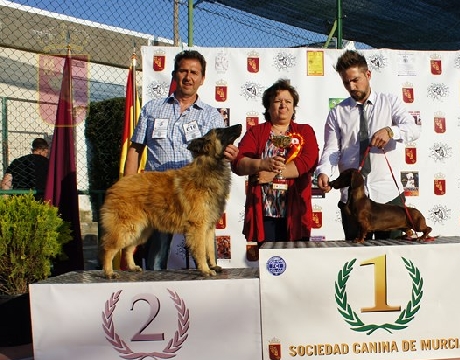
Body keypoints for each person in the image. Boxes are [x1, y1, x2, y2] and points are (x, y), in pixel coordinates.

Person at [124, 49, 235, 270]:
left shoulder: (211, 115)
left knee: (204, 257)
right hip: (159, 193)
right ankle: (155, 285)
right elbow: (135, 149)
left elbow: (221, 153)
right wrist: (128, 187)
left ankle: (207, 274)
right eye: (183, 71)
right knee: (156, 259)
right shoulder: (152, 109)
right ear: (175, 74)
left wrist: (231, 153)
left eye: (194, 72)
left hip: (197, 192)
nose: (188, 77)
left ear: (202, 79)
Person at [316, 49, 421, 240]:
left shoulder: (390, 102)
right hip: (352, 201)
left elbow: (414, 129)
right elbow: (331, 149)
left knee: (393, 255)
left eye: (355, 80)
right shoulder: (337, 112)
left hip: (388, 196)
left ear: (368, 74)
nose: (351, 86)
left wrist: (391, 131)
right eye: (346, 82)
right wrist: (324, 171)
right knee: (355, 255)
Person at [230, 79, 319, 243]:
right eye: (278, 101)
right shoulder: (256, 132)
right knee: (269, 259)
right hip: (265, 213)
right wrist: (261, 164)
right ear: (268, 106)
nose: (283, 105)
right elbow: (238, 163)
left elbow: (308, 161)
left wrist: (273, 174)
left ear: (294, 107)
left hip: (296, 213)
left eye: (288, 101)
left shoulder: (305, 131)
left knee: (296, 257)